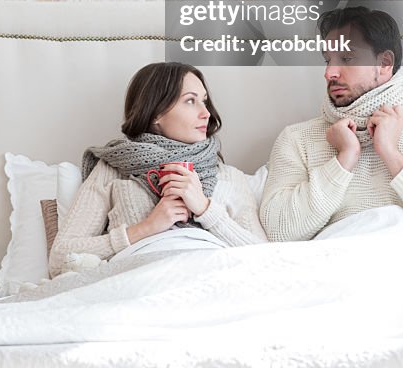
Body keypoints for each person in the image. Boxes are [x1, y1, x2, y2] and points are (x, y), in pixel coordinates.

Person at [259, 6, 403, 248]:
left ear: (384, 63)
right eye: (328, 60)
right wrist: (344, 159)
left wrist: (391, 153)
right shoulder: (297, 139)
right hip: (328, 273)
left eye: (346, 58)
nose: (329, 73)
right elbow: (278, 231)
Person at [49, 62, 266, 276]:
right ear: (156, 113)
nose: (206, 113)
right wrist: (146, 228)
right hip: (139, 280)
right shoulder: (113, 168)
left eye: (204, 101)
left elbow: (268, 257)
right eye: (190, 101)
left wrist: (205, 209)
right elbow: (61, 258)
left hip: (213, 278)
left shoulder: (229, 176)